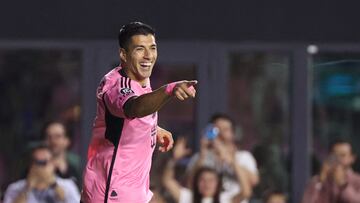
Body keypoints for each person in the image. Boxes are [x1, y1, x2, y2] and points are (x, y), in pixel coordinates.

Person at [81, 21, 197, 203]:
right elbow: (134, 108)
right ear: (123, 54)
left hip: (134, 190)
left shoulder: (141, 78)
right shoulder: (117, 86)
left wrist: (154, 129)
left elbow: (123, 121)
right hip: (112, 193)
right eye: (140, 49)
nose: (148, 55)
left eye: (152, 48)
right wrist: (169, 90)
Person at [187, 113, 259, 203]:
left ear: (233, 133)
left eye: (225, 129)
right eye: (216, 129)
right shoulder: (201, 156)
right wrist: (203, 154)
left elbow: (253, 181)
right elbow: (190, 184)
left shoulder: (243, 156)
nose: (220, 133)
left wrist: (231, 161)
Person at [163, 137, 251, 203]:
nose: (207, 184)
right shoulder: (188, 198)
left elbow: (246, 192)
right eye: (202, 180)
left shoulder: (224, 199)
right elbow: (168, 181)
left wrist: (232, 162)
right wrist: (174, 160)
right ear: (196, 182)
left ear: (218, 183)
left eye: (211, 180)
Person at [3, 144, 80, 203]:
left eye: (44, 162)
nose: (40, 167)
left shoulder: (68, 185)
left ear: (53, 163)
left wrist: (54, 186)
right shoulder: (15, 188)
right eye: (37, 162)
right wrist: (26, 189)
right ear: (31, 165)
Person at [302, 138, 360, 203]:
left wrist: (343, 185)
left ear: (352, 158)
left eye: (342, 155)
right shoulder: (318, 181)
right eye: (335, 155)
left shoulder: (357, 180)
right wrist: (321, 180)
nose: (338, 159)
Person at [43, 121, 81, 187]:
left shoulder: (77, 169)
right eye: (49, 137)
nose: (53, 141)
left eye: (58, 136)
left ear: (67, 141)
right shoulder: (36, 168)